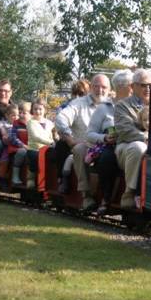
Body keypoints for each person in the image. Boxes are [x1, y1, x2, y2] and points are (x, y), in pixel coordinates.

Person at [114, 68, 151, 209]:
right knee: (139, 147)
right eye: (143, 85)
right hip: (127, 148)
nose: (148, 89)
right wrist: (149, 138)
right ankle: (129, 193)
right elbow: (125, 131)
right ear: (133, 86)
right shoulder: (122, 106)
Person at [55, 74, 111, 209]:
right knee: (79, 149)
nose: (100, 90)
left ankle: (110, 197)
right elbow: (61, 118)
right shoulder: (78, 104)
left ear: (109, 89)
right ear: (90, 87)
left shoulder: (112, 106)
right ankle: (86, 196)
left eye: (104, 87)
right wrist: (70, 139)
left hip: (108, 146)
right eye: (96, 86)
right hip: (85, 146)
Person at [85, 69, 133, 214]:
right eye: (131, 86)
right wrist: (104, 138)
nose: (133, 89)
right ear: (120, 87)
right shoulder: (103, 108)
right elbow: (89, 134)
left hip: (129, 145)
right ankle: (106, 198)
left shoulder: (136, 106)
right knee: (107, 158)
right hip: (110, 147)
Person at [24, 99, 55, 189]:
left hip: (47, 149)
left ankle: (51, 178)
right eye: (35, 109)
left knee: (54, 157)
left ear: (44, 110)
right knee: (34, 156)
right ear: (32, 110)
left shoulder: (49, 123)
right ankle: (31, 178)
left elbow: (52, 135)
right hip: (35, 148)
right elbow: (35, 136)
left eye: (40, 109)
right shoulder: (30, 122)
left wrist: (55, 139)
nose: (38, 111)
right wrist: (50, 142)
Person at [8, 101, 32, 186]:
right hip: (16, 148)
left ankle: (31, 178)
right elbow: (12, 137)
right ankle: (15, 175)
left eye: (24, 113)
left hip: (30, 147)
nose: (21, 115)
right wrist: (22, 145)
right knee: (22, 151)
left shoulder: (33, 124)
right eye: (20, 112)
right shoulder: (16, 124)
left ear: (31, 115)